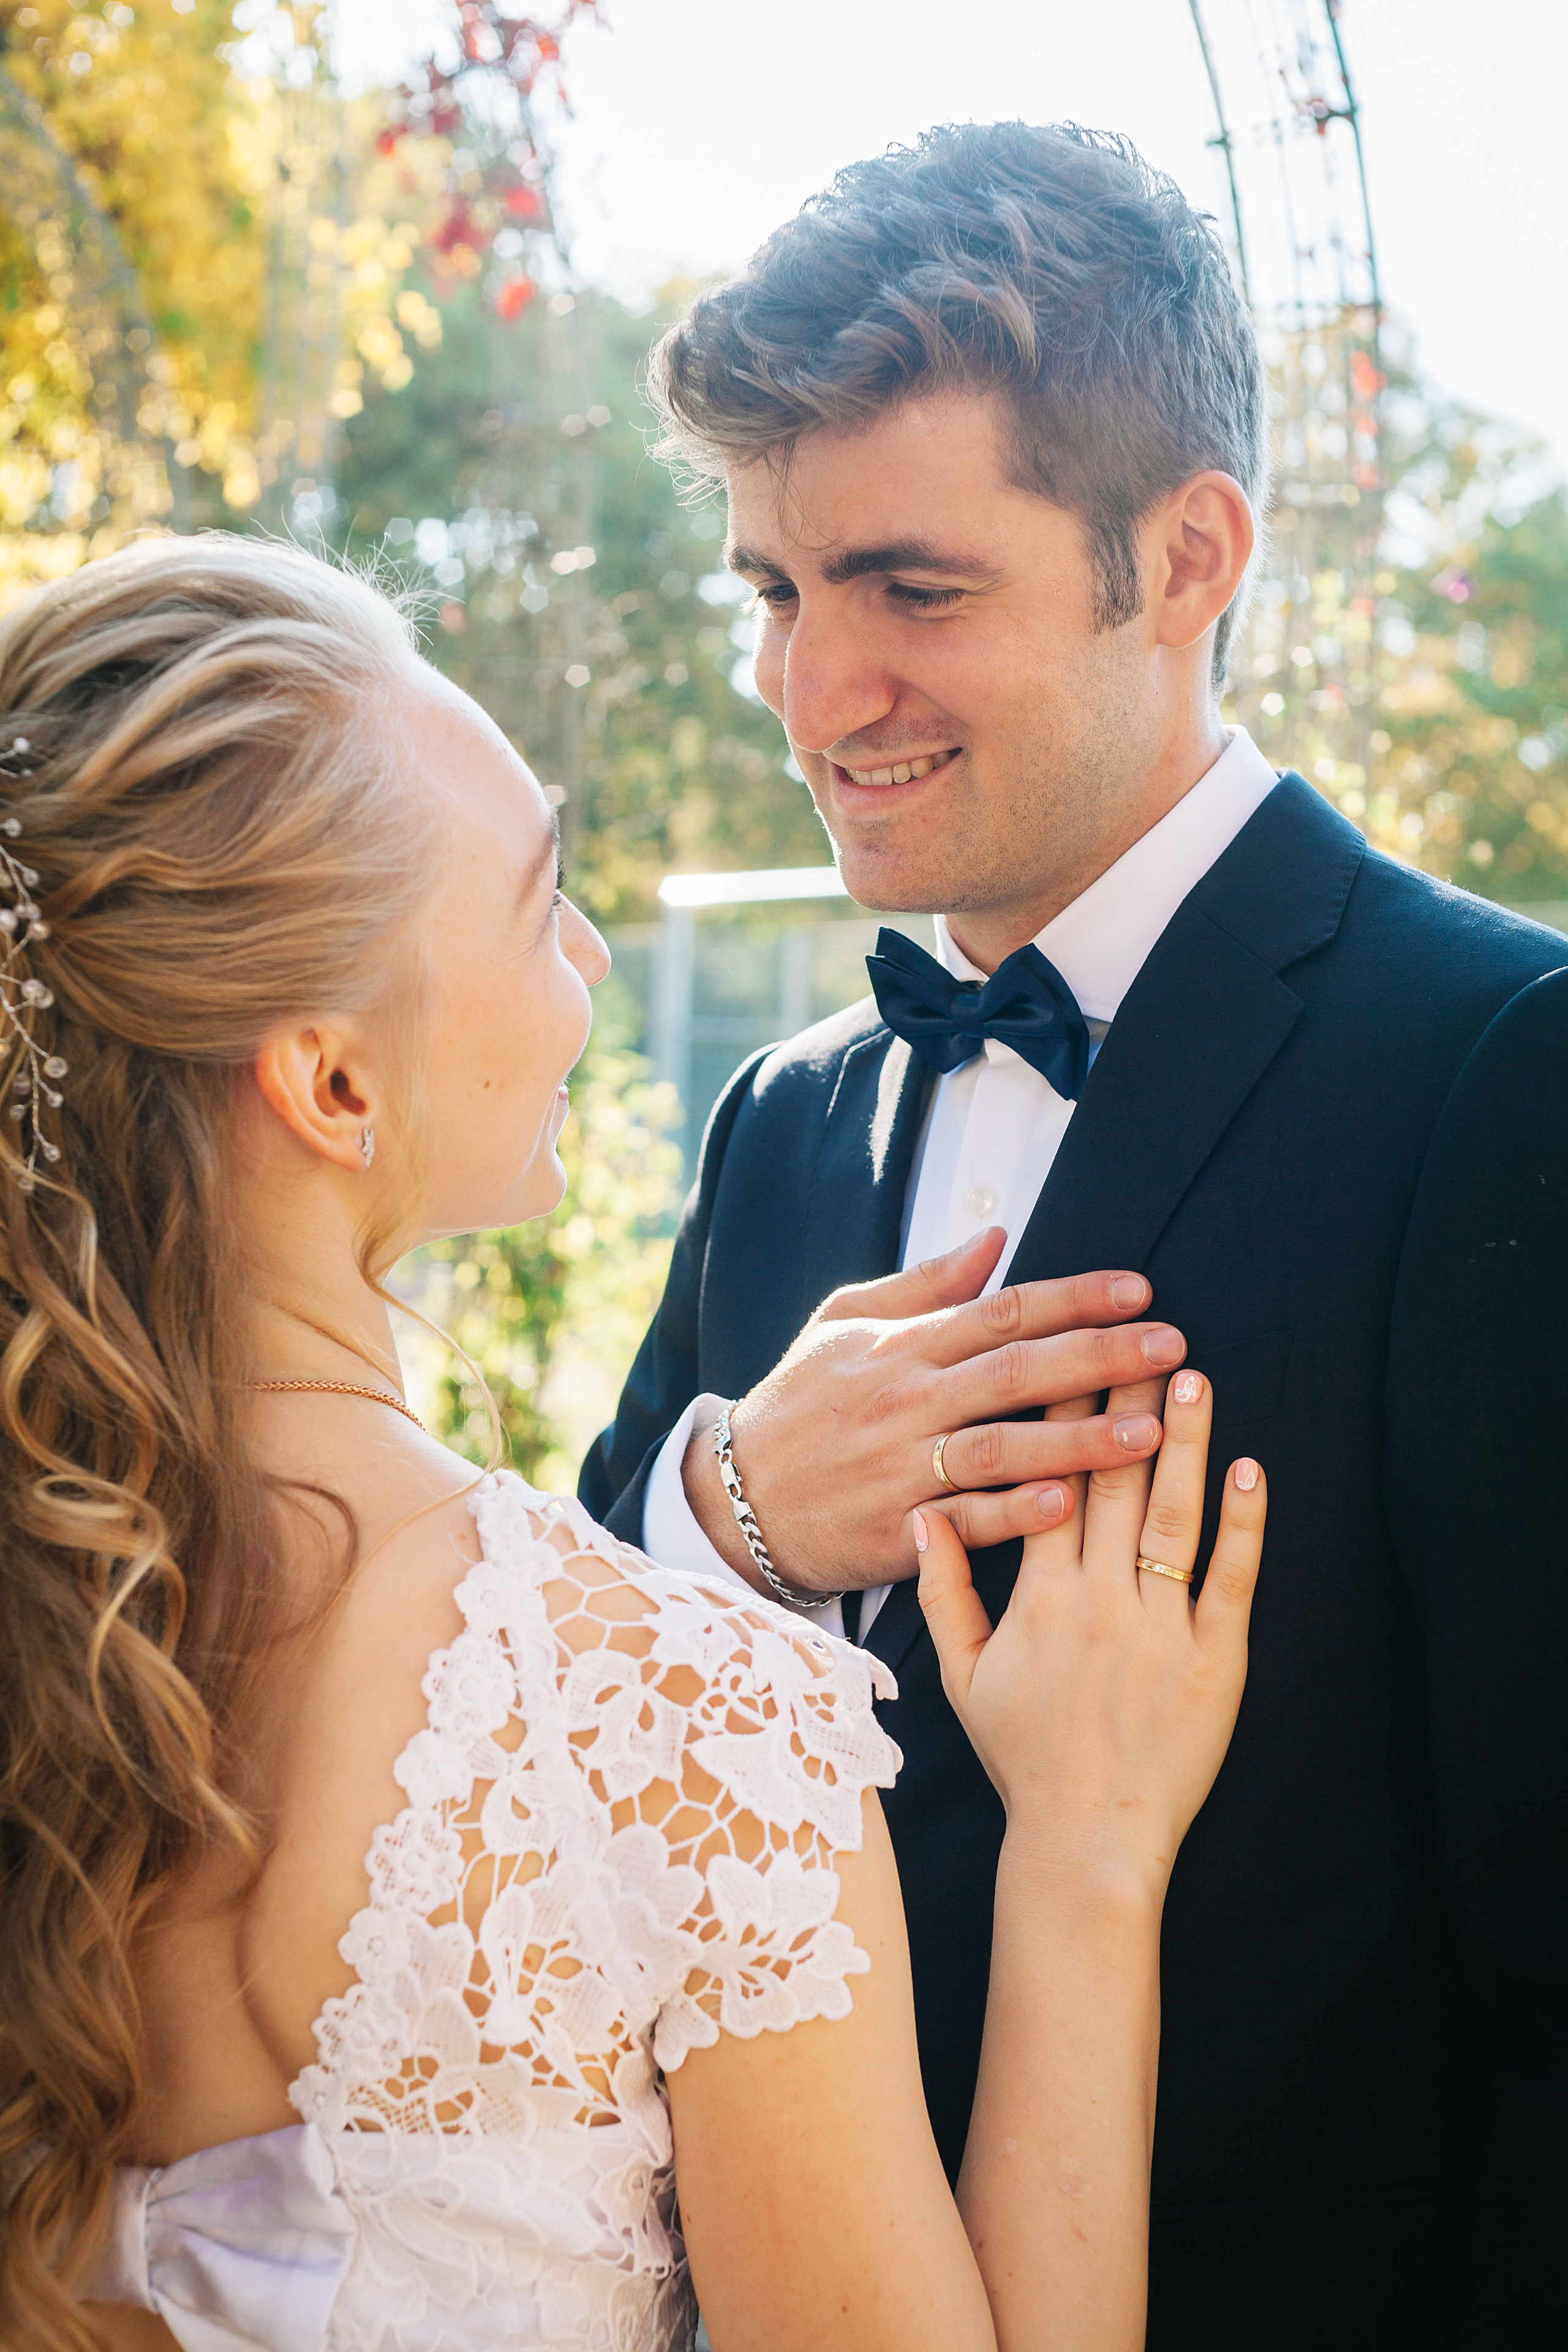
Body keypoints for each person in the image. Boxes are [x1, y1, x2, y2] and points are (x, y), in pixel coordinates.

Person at [0, 531, 1265, 2352]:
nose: (589, 944)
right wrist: (1085, 1854)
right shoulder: (680, 1725)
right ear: (334, 1084)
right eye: (537, 900)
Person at [581, 121, 1568, 2350]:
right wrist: (730, 1507)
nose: (809, 691)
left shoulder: (1505, 1067)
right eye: (772, 587)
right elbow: (557, 1699)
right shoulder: (780, 1121)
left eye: (910, 589)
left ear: (1189, 552)